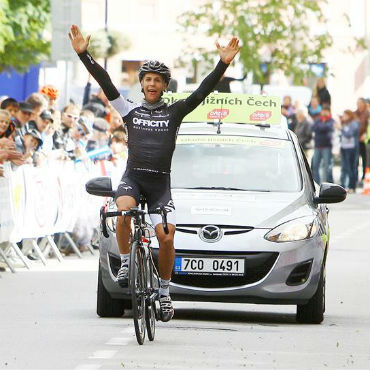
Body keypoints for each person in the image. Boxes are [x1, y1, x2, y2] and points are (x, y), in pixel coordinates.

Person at [69, 24, 241, 322]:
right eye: (147, 79)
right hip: (133, 179)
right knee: (123, 211)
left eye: (157, 80)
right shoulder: (129, 110)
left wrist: (223, 63)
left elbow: (202, 90)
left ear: (164, 86)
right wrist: (85, 55)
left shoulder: (175, 112)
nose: (151, 84)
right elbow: (106, 81)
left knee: (166, 236)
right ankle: (125, 261)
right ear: (142, 84)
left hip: (160, 184)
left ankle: (163, 291)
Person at [311, 105, 335, 184]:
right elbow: (313, 127)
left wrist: (320, 127)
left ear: (329, 112)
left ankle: (329, 183)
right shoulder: (318, 120)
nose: (324, 113)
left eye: (326, 111)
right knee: (315, 165)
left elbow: (326, 128)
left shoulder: (331, 120)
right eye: (323, 111)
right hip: (318, 146)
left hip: (327, 146)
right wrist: (322, 127)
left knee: (328, 166)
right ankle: (316, 183)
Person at [339, 110, 359, 193]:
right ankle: (342, 186)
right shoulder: (344, 124)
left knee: (351, 168)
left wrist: (341, 129)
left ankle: (352, 187)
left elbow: (348, 134)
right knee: (344, 168)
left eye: (345, 115)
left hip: (351, 148)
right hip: (344, 148)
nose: (343, 116)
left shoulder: (353, 124)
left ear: (349, 115)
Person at [355, 97, 369, 183]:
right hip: (356, 139)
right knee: (355, 161)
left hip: (364, 140)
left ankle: (364, 177)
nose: (359, 105)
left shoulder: (367, 113)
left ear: (364, 104)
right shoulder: (354, 113)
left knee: (365, 160)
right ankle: (355, 178)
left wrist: (365, 134)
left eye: (360, 103)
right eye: (357, 103)